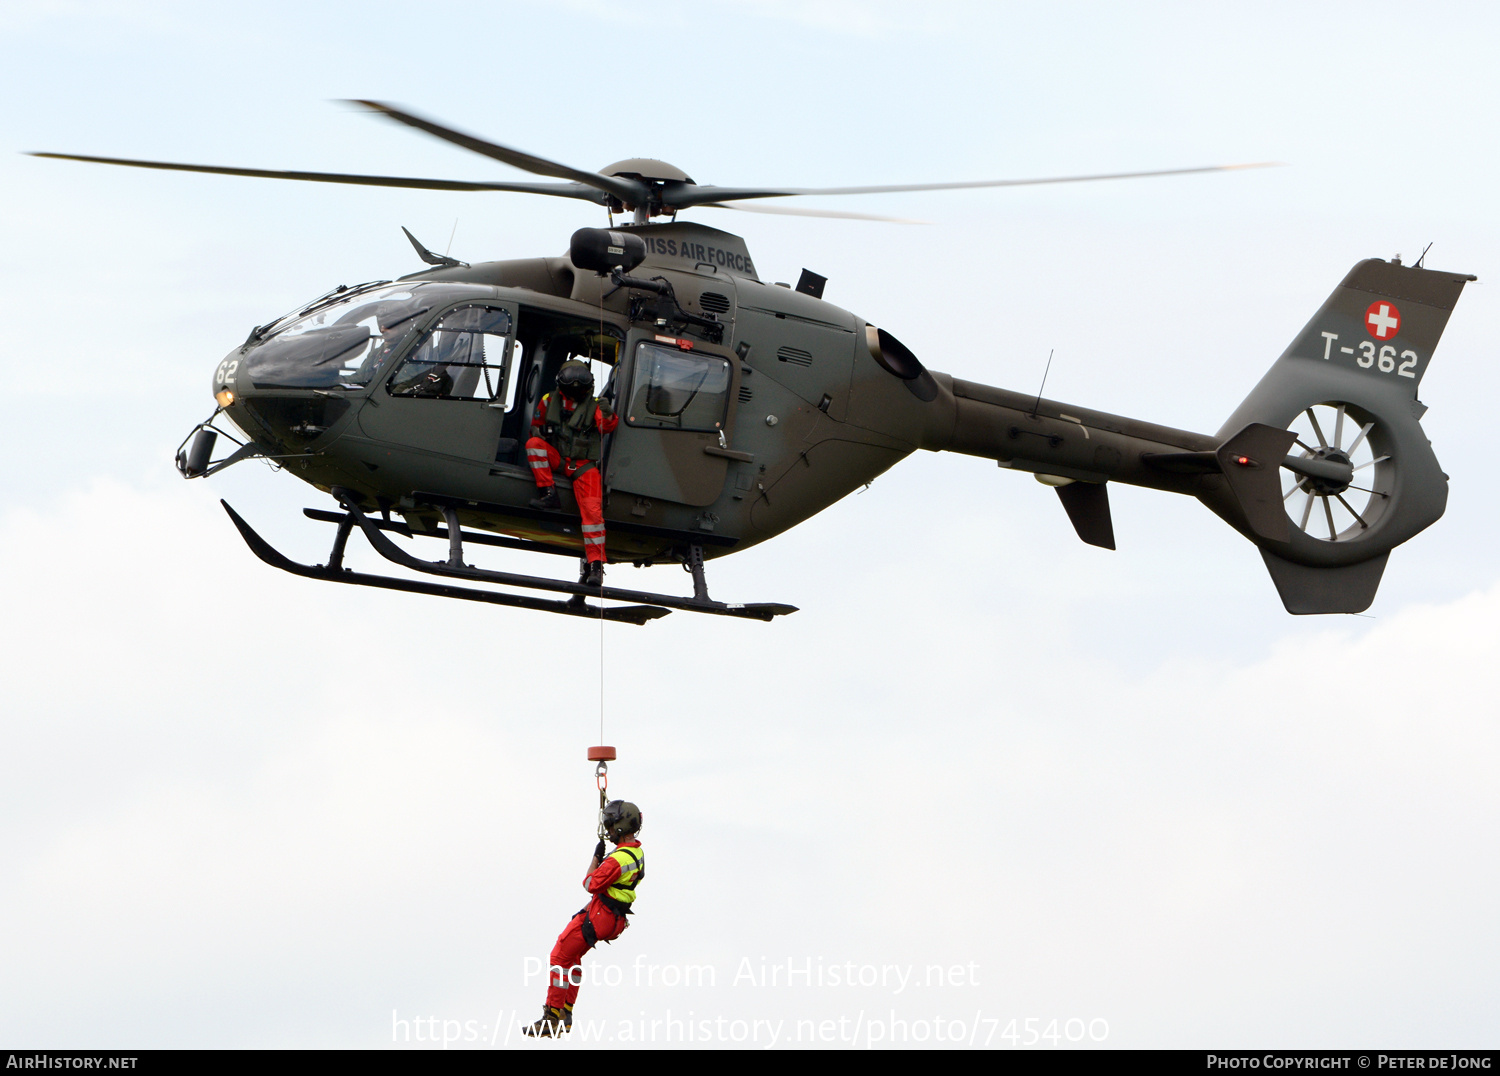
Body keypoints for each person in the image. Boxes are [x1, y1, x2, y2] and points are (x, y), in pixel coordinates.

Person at [523, 800, 645, 1038]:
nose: (607, 830)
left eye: (610, 825)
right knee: (574, 955)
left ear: (619, 827)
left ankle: (552, 1015)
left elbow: (590, 883)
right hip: (612, 918)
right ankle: (565, 1013)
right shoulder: (636, 852)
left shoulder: (617, 860)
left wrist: (596, 858)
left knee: (559, 956)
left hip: (601, 915)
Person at [525, 359, 618, 588]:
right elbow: (536, 425)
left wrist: (607, 414)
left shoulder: (596, 405)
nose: (576, 384)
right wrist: (542, 431)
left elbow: (607, 426)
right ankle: (549, 493)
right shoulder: (549, 400)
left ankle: (596, 564)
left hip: (583, 466)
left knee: (593, 515)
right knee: (534, 444)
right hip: (559, 459)